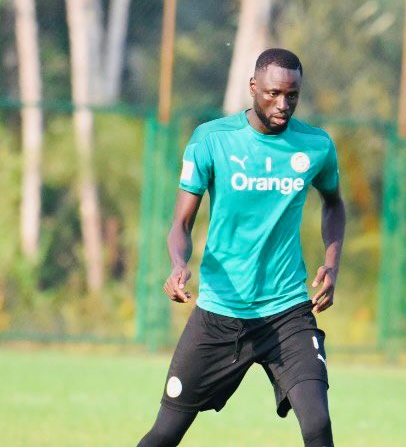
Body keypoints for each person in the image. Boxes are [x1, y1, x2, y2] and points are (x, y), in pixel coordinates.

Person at [138, 48, 345, 447]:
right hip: (219, 312)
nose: (282, 104)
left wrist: (332, 264)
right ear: (253, 87)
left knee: (318, 424)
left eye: (292, 95)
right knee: (164, 434)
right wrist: (179, 264)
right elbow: (180, 224)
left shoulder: (316, 146)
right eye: (272, 93)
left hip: (286, 312)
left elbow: (334, 204)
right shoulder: (212, 140)